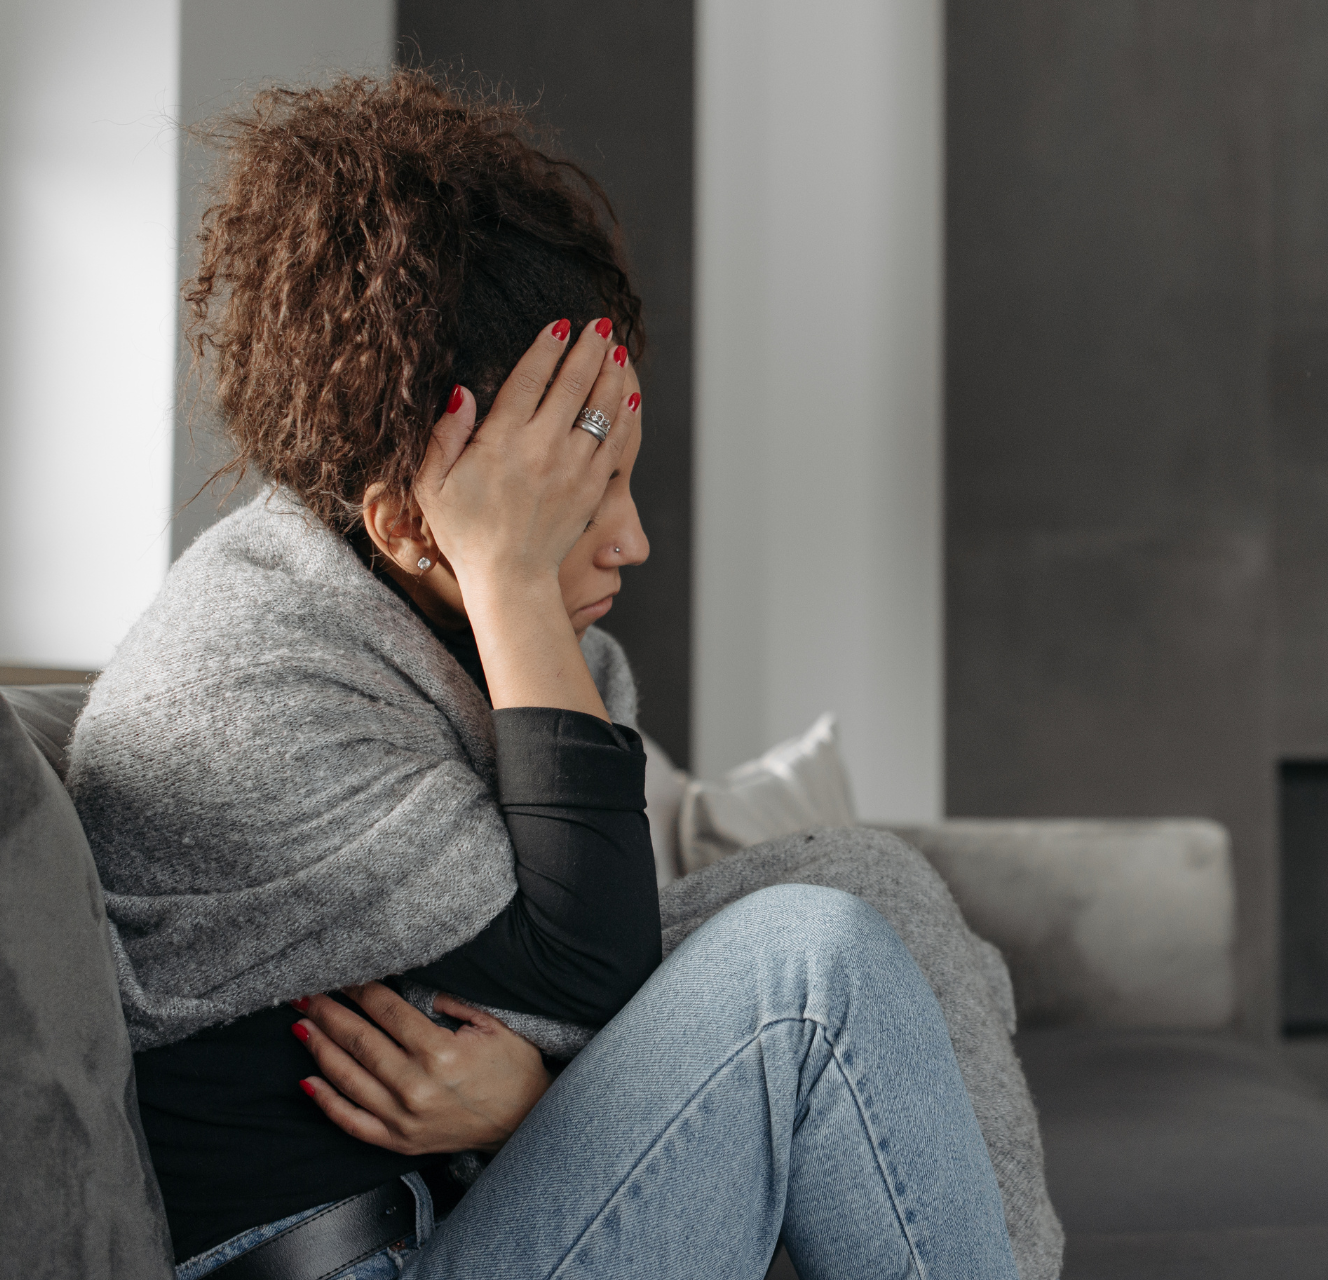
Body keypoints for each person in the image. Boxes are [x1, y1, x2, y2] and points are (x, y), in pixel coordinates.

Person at [67, 70, 1060, 1280]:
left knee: (869, 886)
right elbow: (596, 975)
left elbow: (596, 970)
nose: (634, 539)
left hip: (478, 1216)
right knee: (813, 966)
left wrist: (525, 1100)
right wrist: (511, 579)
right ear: (411, 521)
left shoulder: (504, 641)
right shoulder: (237, 681)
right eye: (581, 497)